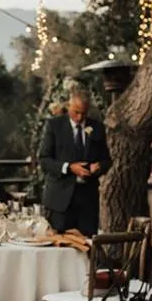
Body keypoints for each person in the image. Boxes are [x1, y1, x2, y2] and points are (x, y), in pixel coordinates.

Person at [37, 86, 110, 235]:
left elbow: (107, 160)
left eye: (83, 113)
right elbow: (44, 160)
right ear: (68, 106)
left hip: (87, 202)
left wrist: (100, 166)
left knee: (87, 248)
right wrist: (68, 167)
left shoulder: (97, 127)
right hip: (60, 201)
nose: (79, 117)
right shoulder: (54, 126)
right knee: (58, 248)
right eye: (76, 112)